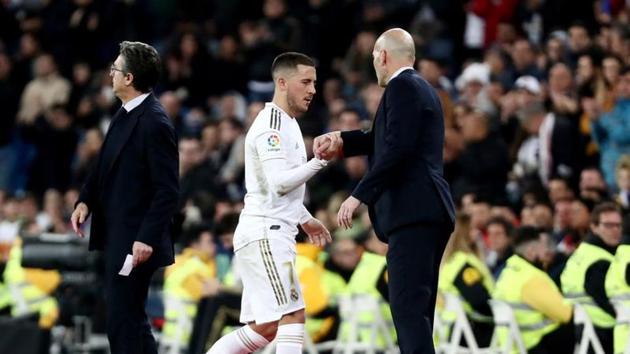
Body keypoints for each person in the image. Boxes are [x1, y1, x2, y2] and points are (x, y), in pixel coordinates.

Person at [314, 28, 456, 353]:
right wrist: (343, 140)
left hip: (413, 213)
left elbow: (397, 149)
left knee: (408, 313)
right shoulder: (419, 88)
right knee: (416, 314)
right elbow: (386, 138)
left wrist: (359, 195)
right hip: (426, 211)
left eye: (374, 57)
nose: (374, 64)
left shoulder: (402, 87)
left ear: (383, 56)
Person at [206, 52, 332, 354]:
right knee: (292, 314)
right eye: (305, 82)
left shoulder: (288, 123)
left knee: (265, 328)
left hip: (271, 231)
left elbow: (271, 186)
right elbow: (279, 182)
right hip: (267, 234)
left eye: (314, 82)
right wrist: (319, 161)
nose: (313, 89)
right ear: (282, 82)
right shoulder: (272, 125)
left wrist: (304, 217)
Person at [70, 41, 179, 354]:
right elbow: (104, 163)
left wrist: (146, 238)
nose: (110, 73)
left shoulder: (154, 122)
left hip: (136, 241)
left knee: (121, 320)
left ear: (129, 78)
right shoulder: (125, 113)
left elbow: (167, 190)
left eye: (115, 69)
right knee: (130, 319)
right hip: (118, 233)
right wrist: (85, 200)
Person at [493, 226, 575, 354]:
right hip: (536, 343)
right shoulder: (530, 278)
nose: (546, 252)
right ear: (531, 251)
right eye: (542, 248)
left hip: (518, 340)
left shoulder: (509, 271)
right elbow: (566, 314)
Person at [561, 202, 622, 353]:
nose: (615, 230)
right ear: (594, 227)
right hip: (606, 332)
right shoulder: (599, 262)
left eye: (618, 225)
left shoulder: (582, 253)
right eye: (608, 225)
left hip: (585, 332)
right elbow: (611, 305)